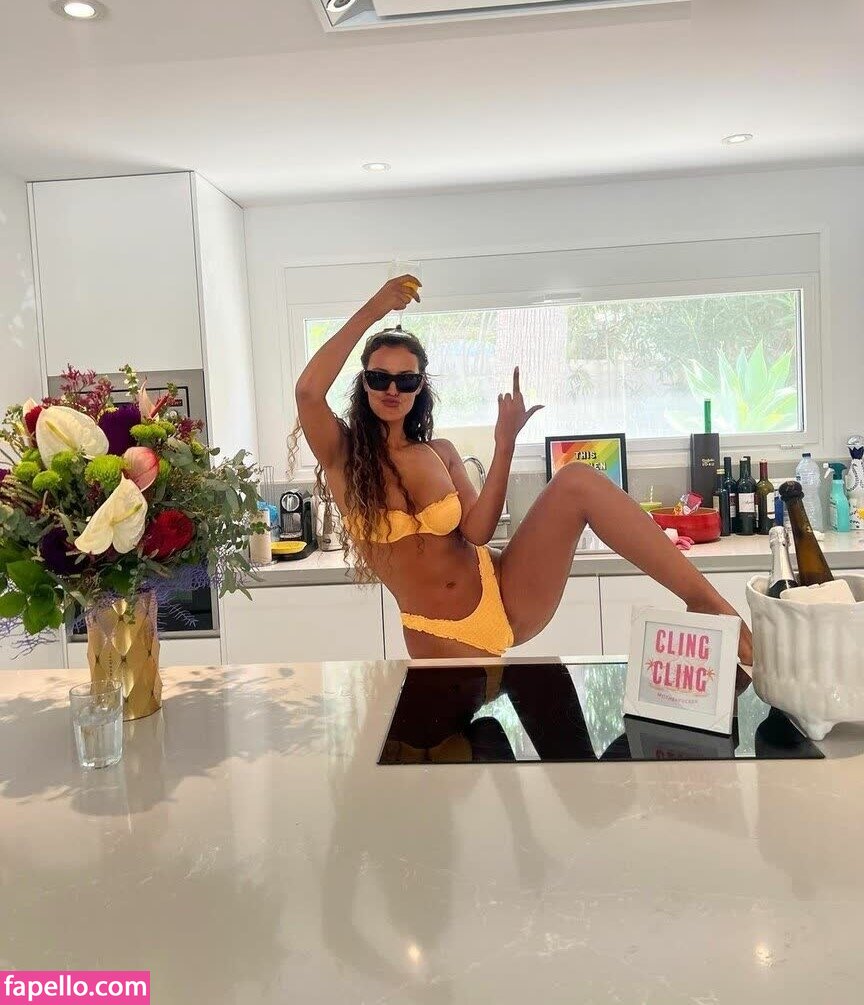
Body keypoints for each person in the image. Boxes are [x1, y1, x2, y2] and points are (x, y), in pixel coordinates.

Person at [294, 276, 754, 666]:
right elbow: (308, 393)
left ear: (420, 388)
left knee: (576, 480)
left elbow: (478, 532)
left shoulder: (440, 452)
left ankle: (705, 601)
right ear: (364, 383)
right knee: (476, 747)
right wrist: (374, 309)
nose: (392, 389)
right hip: (436, 633)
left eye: (406, 379)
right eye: (379, 378)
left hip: (504, 590)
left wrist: (505, 444)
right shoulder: (343, 455)